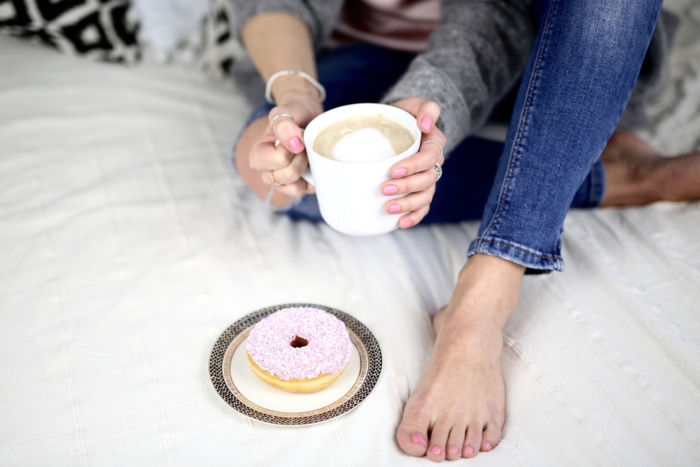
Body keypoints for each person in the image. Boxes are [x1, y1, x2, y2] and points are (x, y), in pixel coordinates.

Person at [230, 0, 700, 462]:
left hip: (546, 55)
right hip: (362, 48)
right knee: (274, 167)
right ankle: (610, 178)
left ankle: (481, 301)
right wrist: (296, 94)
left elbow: (498, 13)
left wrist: (430, 113)